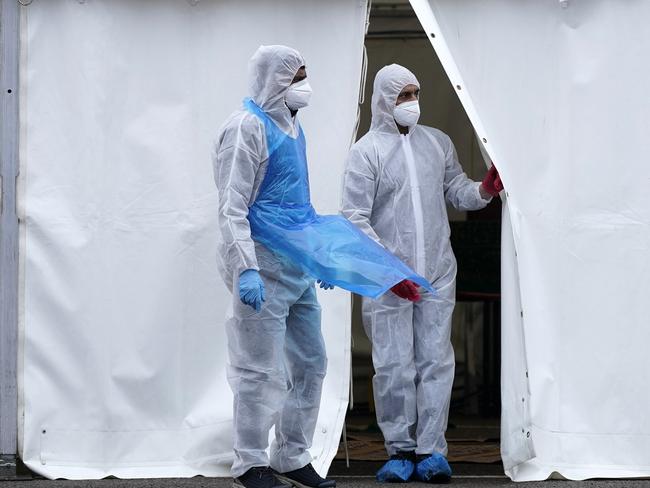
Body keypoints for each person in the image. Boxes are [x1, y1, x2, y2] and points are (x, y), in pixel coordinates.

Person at [213, 48, 433, 488]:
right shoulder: (245, 129)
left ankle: (291, 456)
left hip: (294, 266)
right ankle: (250, 462)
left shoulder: (293, 128)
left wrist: (320, 257)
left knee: (311, 363)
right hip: (261, 264)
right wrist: (246, 268)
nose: (303, 85)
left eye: (304, 75)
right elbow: (232, 206)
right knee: (259, 369)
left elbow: (297, 207)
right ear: (273, 81)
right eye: (296, 77)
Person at [341, 64, 503, 484]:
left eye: (415, 93)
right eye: (402, 95)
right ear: (382, 100)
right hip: (389, 279)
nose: (412, 102)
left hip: (436, 272)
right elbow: (354, 218)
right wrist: (389, 271)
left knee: (435, 360)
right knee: (394, 365)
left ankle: (432, 450)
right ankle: (400, 449)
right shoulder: (366, 152)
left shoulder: (437, 142)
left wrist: (484, 189)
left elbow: (457, 191)